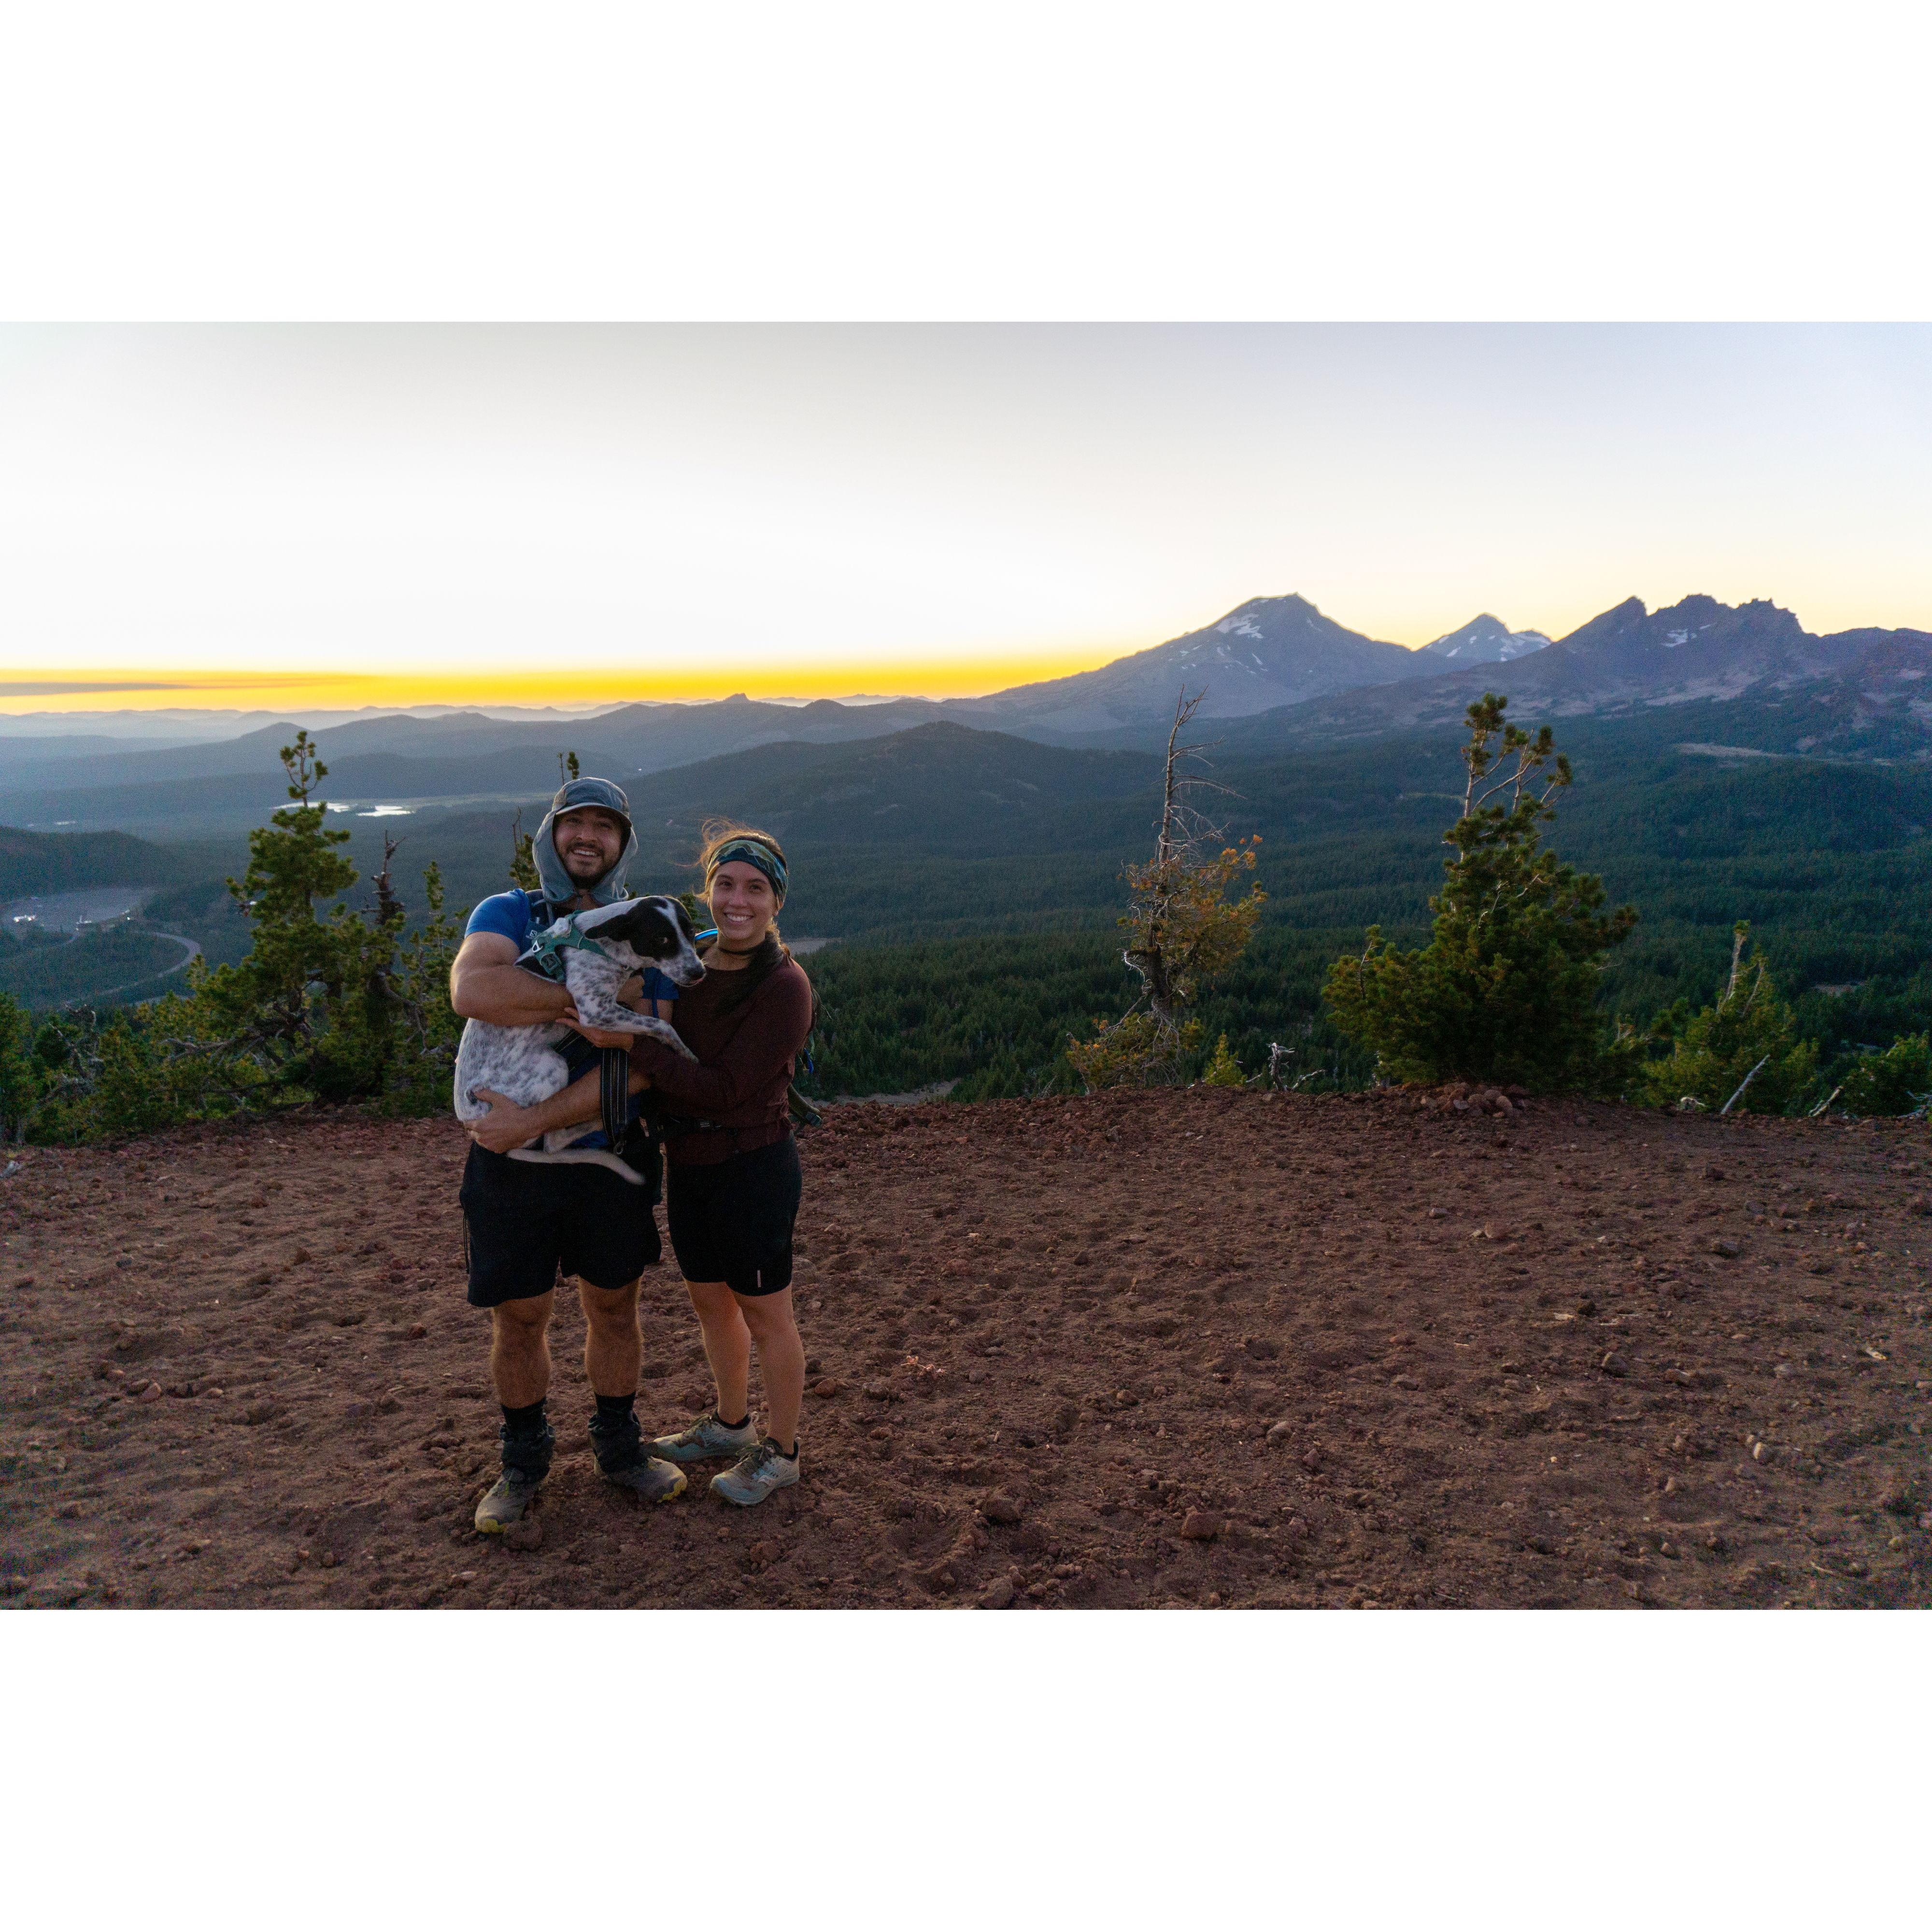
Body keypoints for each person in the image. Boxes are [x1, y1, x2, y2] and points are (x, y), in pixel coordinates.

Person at [450, 775, 691, 1535]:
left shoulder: (655, 922)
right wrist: (589, 992)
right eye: (574, 824)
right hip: (511, 1168)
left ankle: (619, 1450)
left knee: (615, 1307)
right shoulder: (508, 911)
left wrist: (535, 1119)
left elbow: (646, 1059)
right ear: (552, 833)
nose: (588, 838)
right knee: (518, 1319)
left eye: (605, 828)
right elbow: (472, 989)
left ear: (624, 843)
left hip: (603, 1152)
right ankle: (523, 1461)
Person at [632, 825, 816, 1506]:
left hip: (752, 1166)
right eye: (726, 885)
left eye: (755, 889)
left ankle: (784, 1451)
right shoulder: (691, 962)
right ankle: (732, 1426)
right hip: (691, 1163)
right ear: (709, 890)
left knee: (768, 1315)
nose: (737, 901)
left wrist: (633, 1043)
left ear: (776, 902)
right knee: (711, 1303)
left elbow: (726, 1088)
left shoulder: (785, 985)